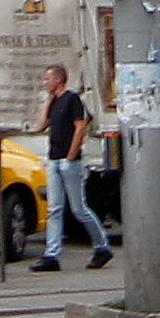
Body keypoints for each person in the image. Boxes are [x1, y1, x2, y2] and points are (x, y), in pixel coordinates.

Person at [30, 64, 113, 274]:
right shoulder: (55, 102)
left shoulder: (72, 99)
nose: (45, 82)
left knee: (78, 208)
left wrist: (70, 156)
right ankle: (52, 255)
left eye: (47, 79)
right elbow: (41, 125)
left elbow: (80, 127)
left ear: (59, 79)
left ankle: (102, 246)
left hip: (69, 162)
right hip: (53, 160)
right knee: (54, 209)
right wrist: (47, 102)